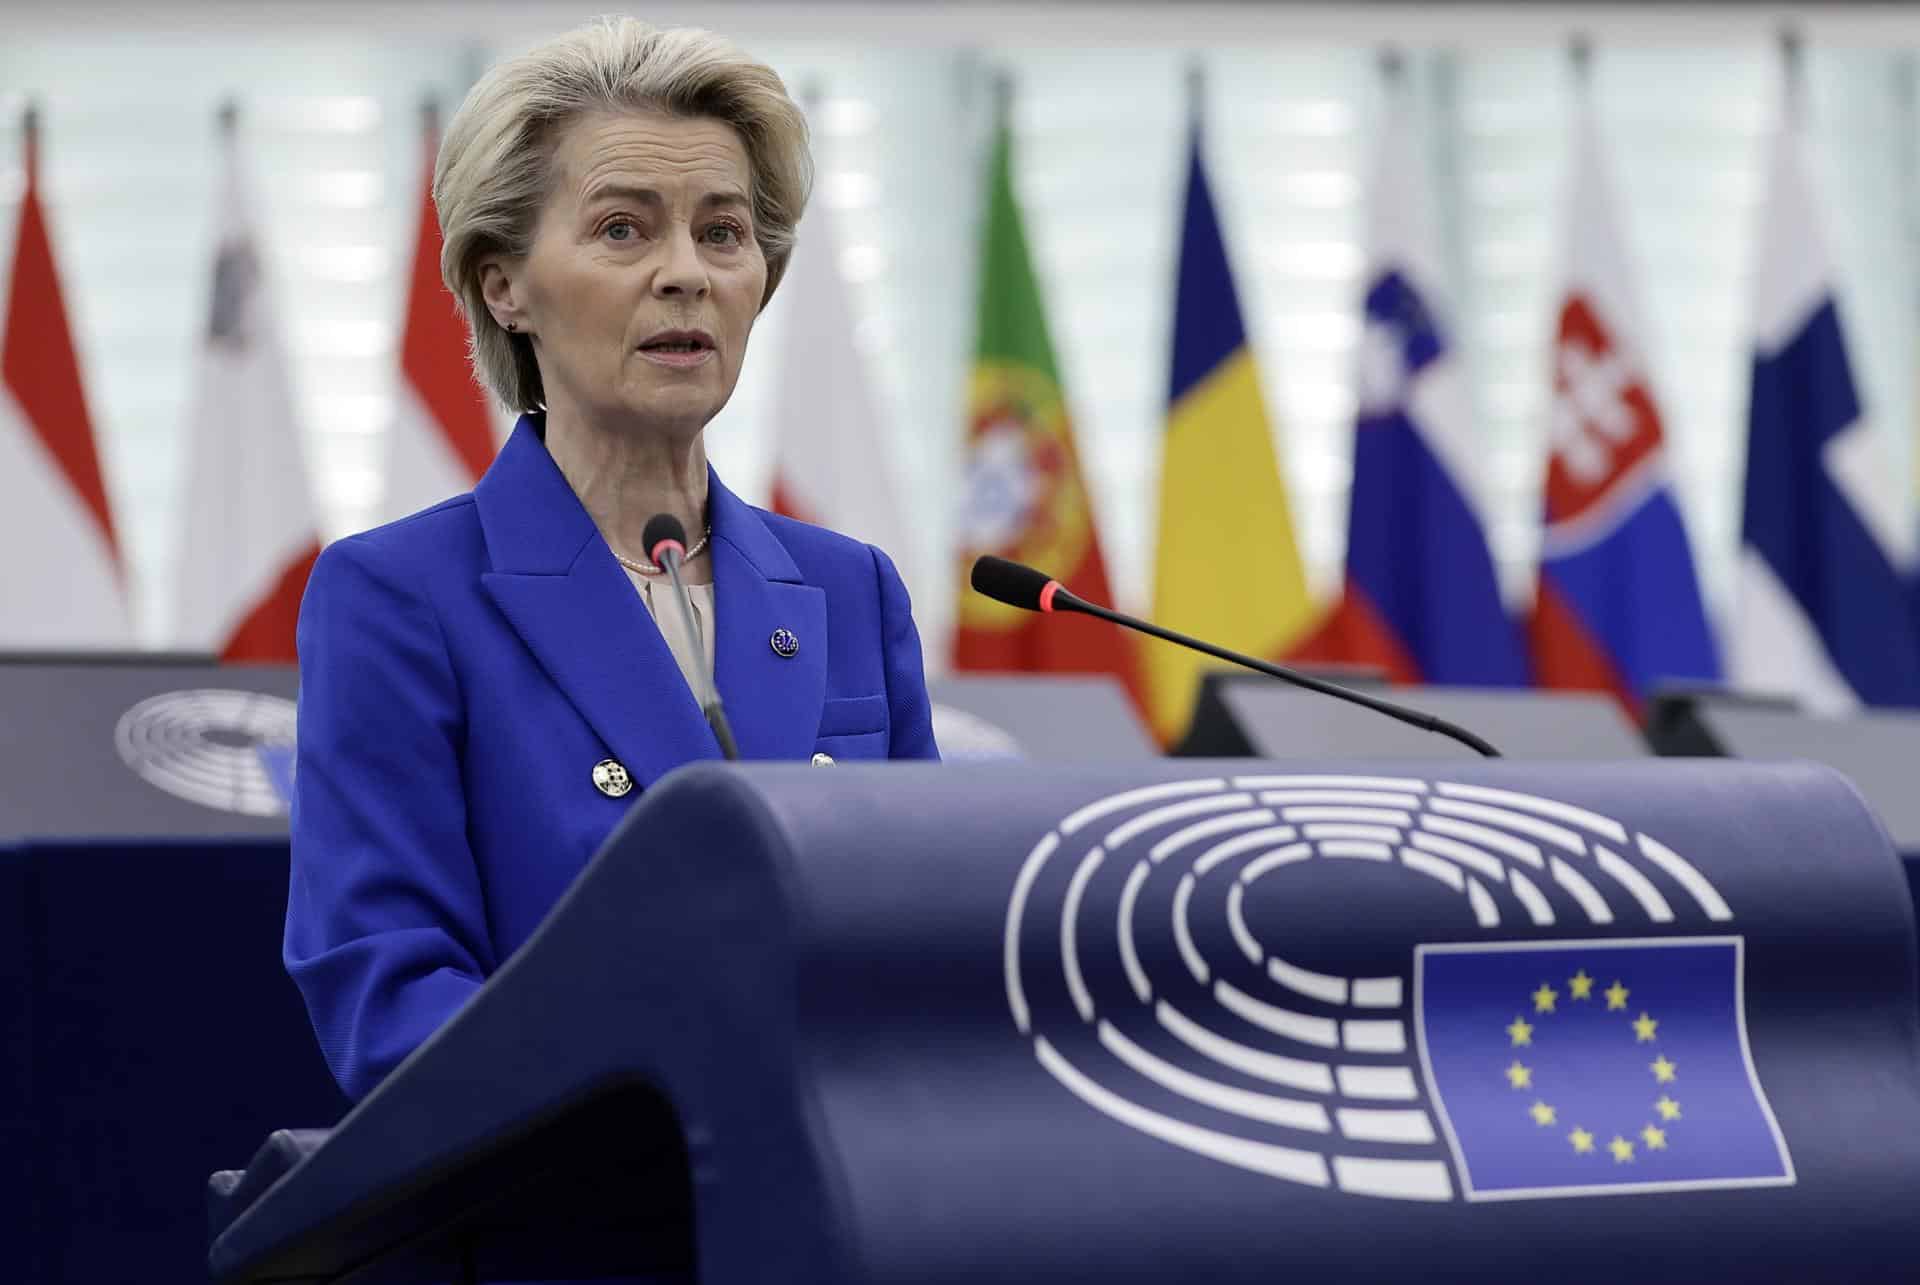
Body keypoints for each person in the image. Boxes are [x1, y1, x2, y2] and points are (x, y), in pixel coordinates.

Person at [286, 16, 940, 1103]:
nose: (687, 274)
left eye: (724, 233)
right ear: (505, 285)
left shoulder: (848, 589)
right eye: (625, 230)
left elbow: (931, 939)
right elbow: (389, 1001)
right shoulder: (400, 599)